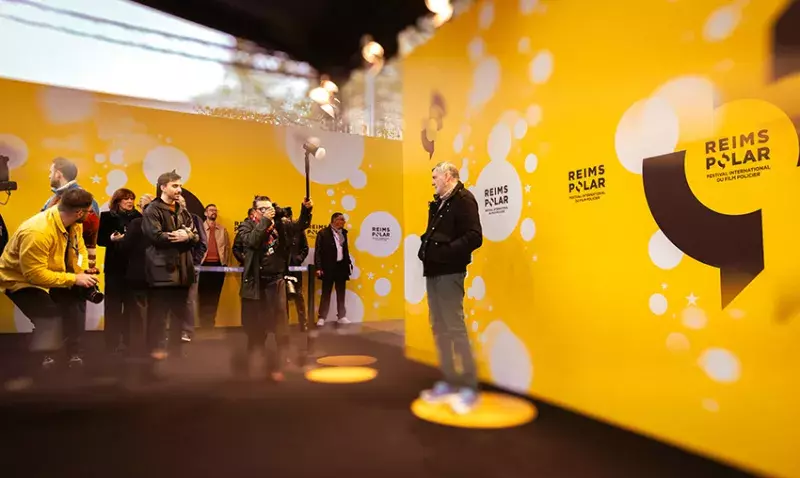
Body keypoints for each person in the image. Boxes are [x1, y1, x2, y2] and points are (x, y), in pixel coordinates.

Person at [0, 188, 100, 376]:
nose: (90, 215)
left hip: (53, 273)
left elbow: (80, 251)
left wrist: (83, 273)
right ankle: (43, 361)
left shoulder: (74, 223)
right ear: (79, 212)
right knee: (49, 315)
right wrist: (73, 278)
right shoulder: (37, 231)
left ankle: (72, 353)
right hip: (20, 281)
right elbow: (35, 276)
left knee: (73, 307)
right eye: (89, 211)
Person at [417, 161, 483, 415]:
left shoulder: (464, 199)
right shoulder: (439, 203)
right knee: (439, 327)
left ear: (448, 176)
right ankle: (449, 381)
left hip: (450, 272)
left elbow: (475, 236)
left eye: (435, 176)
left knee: (455, 327)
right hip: (433, 272)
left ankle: (468, 387)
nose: (432, 180)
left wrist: (446, 253)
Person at [238, 196, 312, 381]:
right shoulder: (246, 226)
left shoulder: (281, 224)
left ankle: (280, 362)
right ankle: (255, 361)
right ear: (254, 211)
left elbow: (300, 225)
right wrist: (265, 221)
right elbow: (252, 241)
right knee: (256, 326)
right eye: (262, 209)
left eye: (269, 208)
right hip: (255, 283)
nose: (267, 212)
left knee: (280, 324)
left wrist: (305, 209)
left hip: (276, 281)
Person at [142, 170, 199, 360]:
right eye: (175, 186)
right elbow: (155, 237)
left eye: (180, 185)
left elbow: (195, 237)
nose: (179, 190)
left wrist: (188, 236)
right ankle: (155, 349)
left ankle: (175, 350)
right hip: (162, 272)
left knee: (179, 314)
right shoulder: (152, 210)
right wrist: (180, 236)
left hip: (183, 271)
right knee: (158, 315)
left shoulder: (183, 211)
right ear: (163, 187)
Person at [97, 188, 141, 354]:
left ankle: (130, 342)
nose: (130, 202)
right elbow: (100, 239)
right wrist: (112, 239)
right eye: (126, 199)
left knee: (131, 308)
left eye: (132, 198)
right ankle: (111, 343)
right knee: (113, 307)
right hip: (114, 268)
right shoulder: (107, 216)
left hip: (133, 268)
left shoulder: (139, 217)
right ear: (118, 201)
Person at [314, 212, 352, 327]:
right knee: (326, 293)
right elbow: (318, 252)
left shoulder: (344, 233)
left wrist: (348, 263)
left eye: (344, 220)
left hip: (341, 266)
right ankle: (322, 317)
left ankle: (341, 316)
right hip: (328, 267)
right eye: (341, 219)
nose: (344, 222)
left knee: (341, 292)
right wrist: (319, 267)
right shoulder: (323, 233)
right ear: (335, 220)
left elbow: (344, 250)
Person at [198, 203, 230, 329]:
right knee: (203, 294)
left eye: (215, 210)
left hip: (218, 265)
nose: (213, 212)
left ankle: (211, 322)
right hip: (203, 265)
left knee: (215, 295)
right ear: (205, 213)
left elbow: (227, 247)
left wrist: (225, 263)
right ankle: (203, 322)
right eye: (211, 210)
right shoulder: (199, 228)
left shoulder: (222, 229)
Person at [180, 195, 207, 342]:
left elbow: (203, 243)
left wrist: (195, 262)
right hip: (171, 266)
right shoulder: (166, 219)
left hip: (191, 266)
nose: (179, 204)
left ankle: (187, 330)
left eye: (181, 202)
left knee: (189, 300)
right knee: (171, 299)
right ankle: (173, 330)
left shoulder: (195, 219)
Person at [283, 207, 311, 332]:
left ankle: (303, 322)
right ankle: (284, 324)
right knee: (282, 297)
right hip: (281, 268)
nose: (286, 220)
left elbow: (305, 248)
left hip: (295, 268)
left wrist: (298, 259)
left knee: (299, 295)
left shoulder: (299, 231)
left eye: (288, 217)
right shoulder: (278, 230)